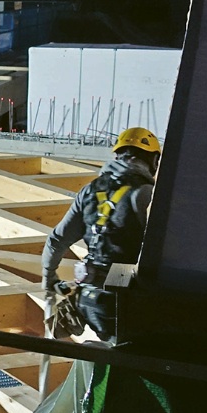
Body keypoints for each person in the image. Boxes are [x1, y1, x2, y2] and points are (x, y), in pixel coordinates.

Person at [40, 127, 161, 342]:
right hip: (120, 302)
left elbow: (57, 240)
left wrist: (48, 278)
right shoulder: (146, 195)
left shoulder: (90, 190)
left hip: (87, 299)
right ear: (153, 160)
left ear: (117, 155)